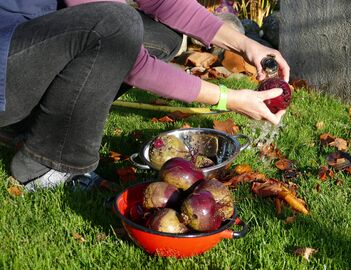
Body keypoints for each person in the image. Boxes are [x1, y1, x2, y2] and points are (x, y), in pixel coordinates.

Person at [0, 0, 291, 192]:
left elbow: (165, 2)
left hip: (27, 51)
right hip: (6, 68)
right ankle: (48, 165)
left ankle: (33, 125)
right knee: (117, 25)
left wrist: (245, 44)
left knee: (163, 34)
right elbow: (131, 60)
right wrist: (228, 98)